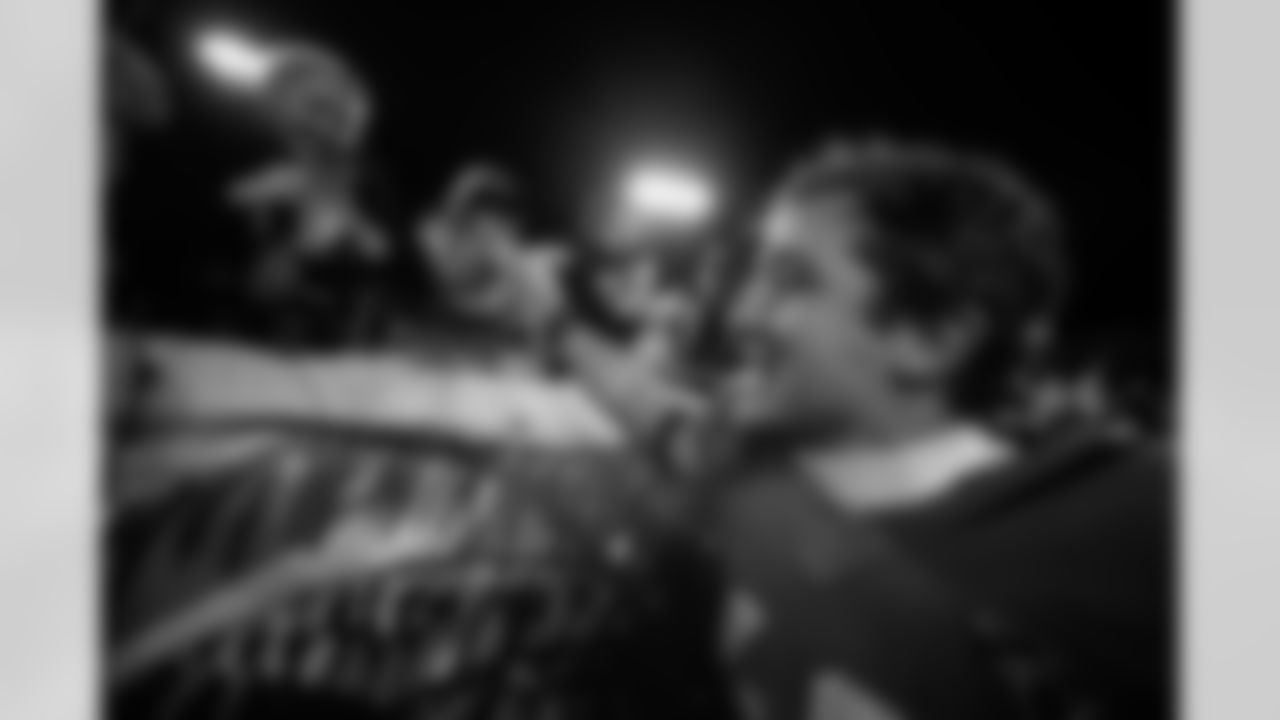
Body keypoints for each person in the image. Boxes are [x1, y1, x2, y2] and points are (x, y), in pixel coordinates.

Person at [696, 139, 1172, 720]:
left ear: (932, 339)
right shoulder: (749, 470)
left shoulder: (1127, 540)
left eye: (793, 281)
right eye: (755, 275)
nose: (740, 312)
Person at [227, 42, 389, 348]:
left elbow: (377, 249)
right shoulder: (265, 161)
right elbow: (237, 200)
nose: (320, 125)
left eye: (332, 114)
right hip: (263, 290)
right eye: (314, 110)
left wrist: (346, 222)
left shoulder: (365, 176)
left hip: (330, 290)